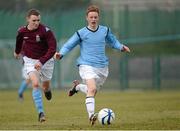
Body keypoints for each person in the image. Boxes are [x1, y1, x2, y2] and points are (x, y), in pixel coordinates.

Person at [54, 5, 130, 125]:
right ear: (87, 18)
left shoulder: (105, 30)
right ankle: (91, 116)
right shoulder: (81, 33)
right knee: (92, 88)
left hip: (102, 67)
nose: (93, 19)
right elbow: (69, 44)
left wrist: (121, 47)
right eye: (91, 17)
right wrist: (61, 54)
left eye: (95, 17)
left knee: (92, 91)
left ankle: (78, 87)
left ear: (98, 18)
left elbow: (113, 41)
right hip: (86, 65)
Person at [14, 9, 57, 122]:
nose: (36, 23)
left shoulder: (46, 31)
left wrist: (42, 61)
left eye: (38, 20)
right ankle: (41, 113)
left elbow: (52, 49)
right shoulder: (22, 31)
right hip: (30, 61)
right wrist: (17, 51)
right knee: (35, 83)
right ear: (28, 19)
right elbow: (18, 41)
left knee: (45, 86)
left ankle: (47, 90)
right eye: (34, 20)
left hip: (46, 60)